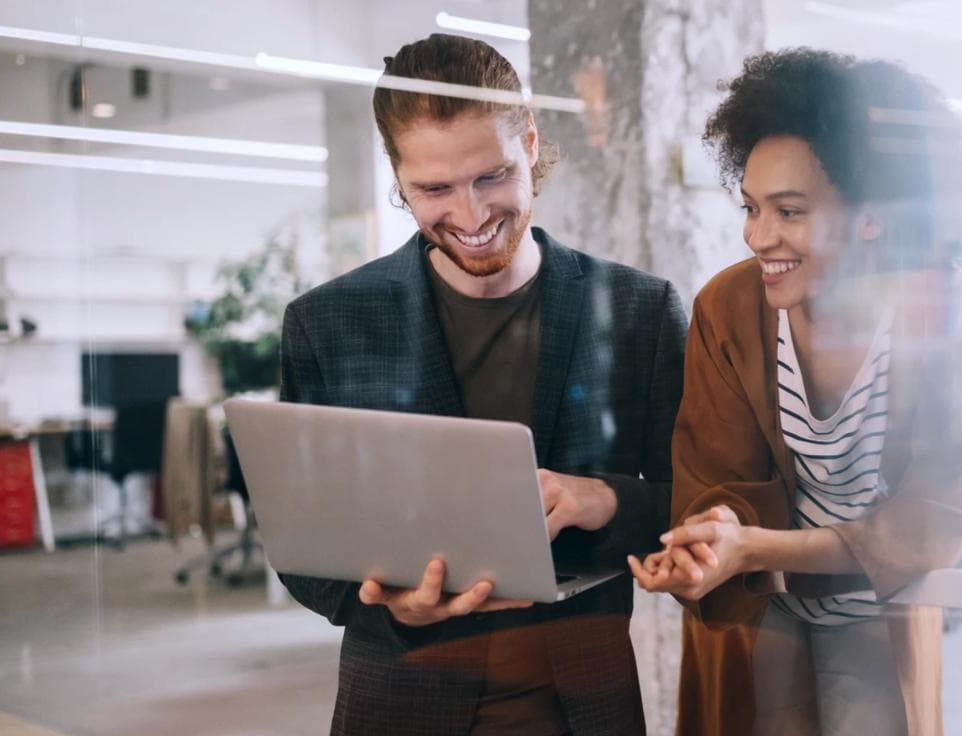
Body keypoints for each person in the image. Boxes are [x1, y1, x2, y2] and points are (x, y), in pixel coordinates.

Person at [275, 33, 686, 735]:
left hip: (578, 702)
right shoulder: (328, 323)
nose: (470, 216)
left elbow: (696, 507)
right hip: (399, 701)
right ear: (399, 178)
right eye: (434, 188)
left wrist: (604, 497)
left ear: (529, 143)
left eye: (491, 176)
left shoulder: (639, 311)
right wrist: (382, 599)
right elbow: (300, 542)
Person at [625, 48, 962, 736]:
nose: (758, 236)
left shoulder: (942, 312)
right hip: (761, 615)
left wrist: (758, 548)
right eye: (751, 207)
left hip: (876, 616)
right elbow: (715, 477)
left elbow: (936, 513)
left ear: (871, 217)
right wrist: (715, 537)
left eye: (789, 211)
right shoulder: (727, 308)